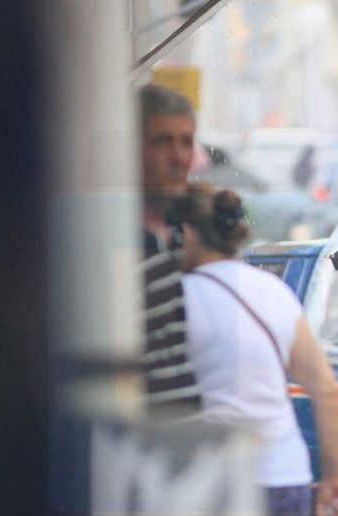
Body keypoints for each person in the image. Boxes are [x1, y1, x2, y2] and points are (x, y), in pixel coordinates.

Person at [172, 183, 338, 516]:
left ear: (188, 232)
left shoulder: (171, 301)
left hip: (208, 491)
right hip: (282, 482)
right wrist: (336, 479)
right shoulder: (272, 293)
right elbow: (326, 391)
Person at [139, 84, 202, 419]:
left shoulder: (177, 239)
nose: (178, 157)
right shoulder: (120, 249)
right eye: (161, 142)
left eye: (186, 142)